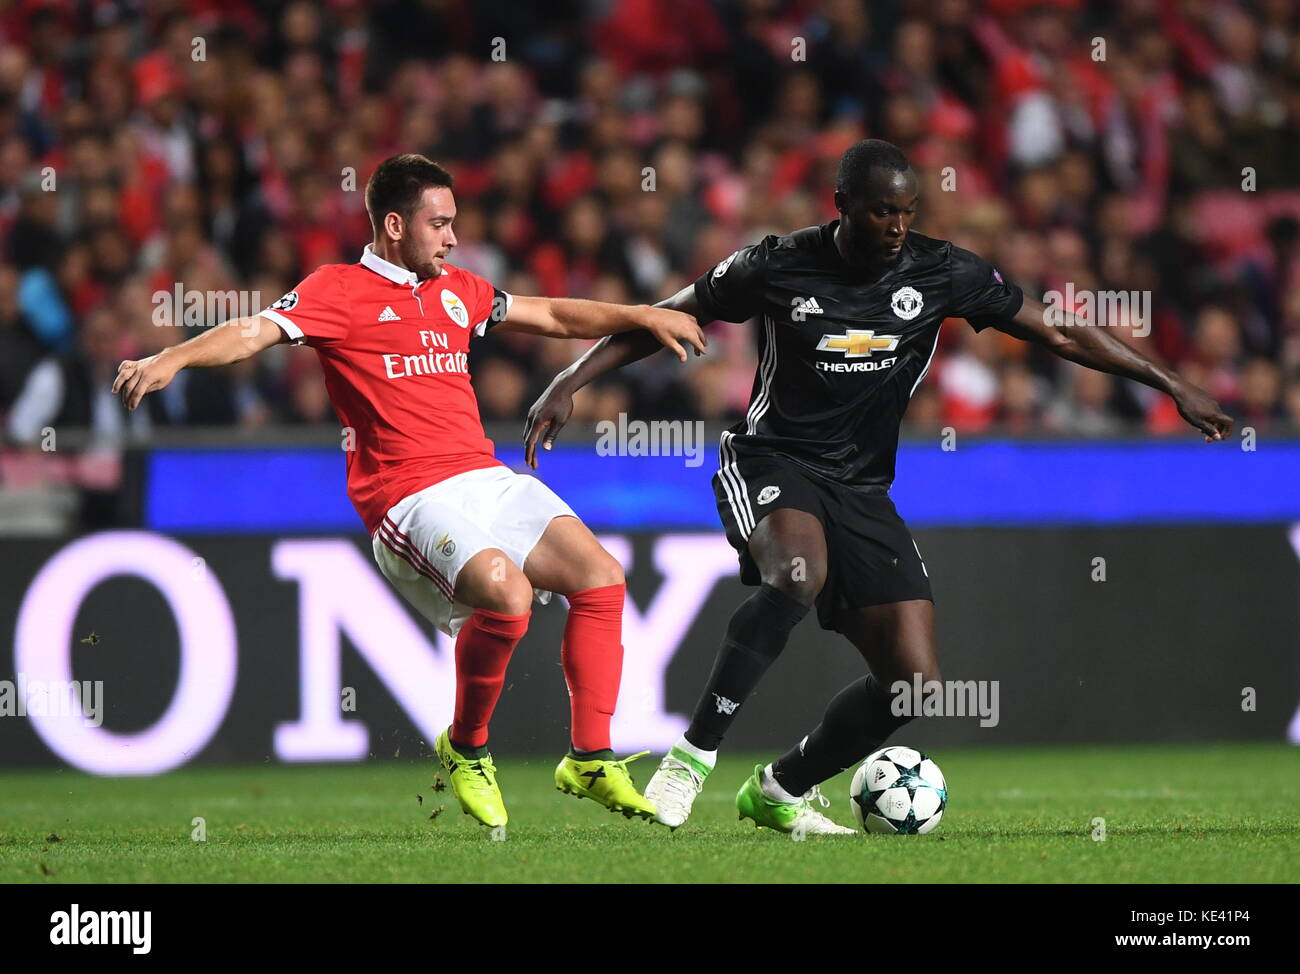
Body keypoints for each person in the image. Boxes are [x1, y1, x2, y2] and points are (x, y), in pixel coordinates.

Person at [524, 139, 1232, 835]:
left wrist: (1170, 382)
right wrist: (569, 380)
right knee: (798, 573)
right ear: (841, 206)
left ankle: (778, 789)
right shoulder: (776, 264)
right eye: (878, 213)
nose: (895, 228)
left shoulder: (940, 271)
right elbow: (664, 316)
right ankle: (691, 757)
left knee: (914, 683)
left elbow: (1063, 335)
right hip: (773, 459)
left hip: (861, 486)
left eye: (905, 212)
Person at [114, 153, 707, 831]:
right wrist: (174, 356)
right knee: (508, 595)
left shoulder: (457, 288)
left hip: (484, 475)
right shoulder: (336, 290)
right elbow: (253, 331)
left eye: (453, 223)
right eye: (440, 223)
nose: (452, 237)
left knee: (600, 577)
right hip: (408, 496)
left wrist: (640, 314)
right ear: (394, 225)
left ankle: (590, 758)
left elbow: (548, 315)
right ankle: (468, 746)